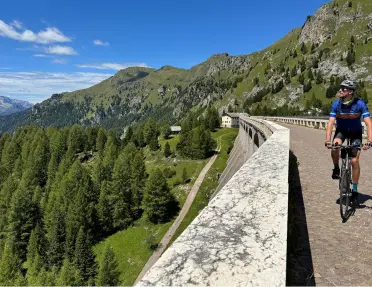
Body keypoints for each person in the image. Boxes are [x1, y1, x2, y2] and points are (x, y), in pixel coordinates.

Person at [325, 79, 372, 205]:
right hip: (341, 131)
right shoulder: (336, 104)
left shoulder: (360, 104)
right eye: (341, 88)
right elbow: (330, 123)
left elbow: (368, 123)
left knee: (354, 161)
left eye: (344, 89)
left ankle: (355, 191)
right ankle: (336, 168)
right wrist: (327, 140)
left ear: (350, 92)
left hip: (356, 133)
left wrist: (369, 141)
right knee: (335, 147)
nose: (340, 90)